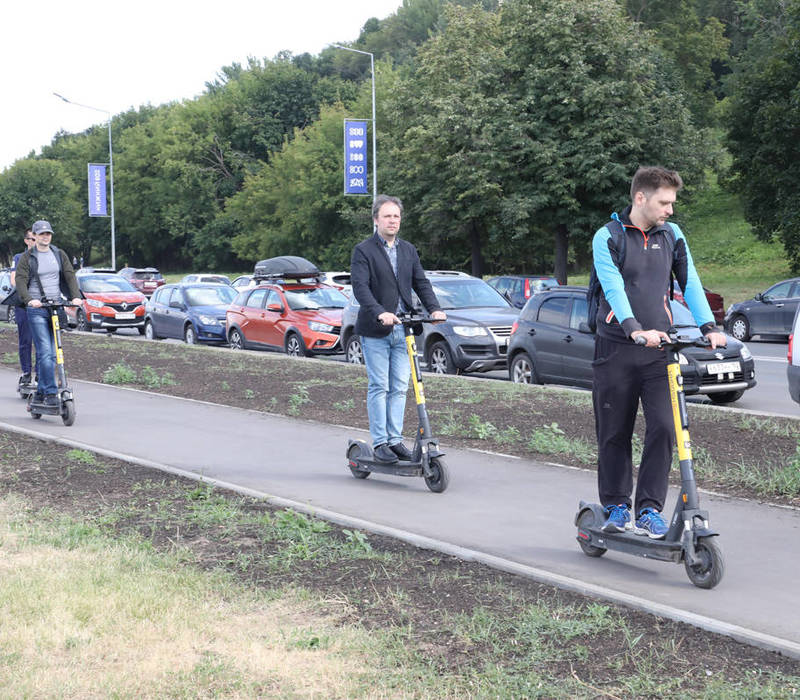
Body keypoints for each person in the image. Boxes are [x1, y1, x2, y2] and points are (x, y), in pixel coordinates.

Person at [591, 166, 726, 538]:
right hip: (616, 348)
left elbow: (690, 281)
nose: (670, 209)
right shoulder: (608, 237)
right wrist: (634, 330)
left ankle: (649, 508)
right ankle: (616, 506)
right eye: (664, 202)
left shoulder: (672, 235)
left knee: (666, 428)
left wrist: (708, 327)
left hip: (659, 351)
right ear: (641, 197)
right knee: (614, 432)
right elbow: (614, 289)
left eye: (672, 203)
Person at [351, 195, 446, 463]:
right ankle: (380, 442)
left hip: (405, 328)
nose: (393, 221)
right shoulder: (364, 250)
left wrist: (434, 309)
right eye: (387, 216)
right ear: (376, 219)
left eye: (396, 216)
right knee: (379, 386)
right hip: (376, 329)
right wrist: (380, 312)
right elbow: (361, 288)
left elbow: (421, 282)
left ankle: (395, 440)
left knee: (400, 387)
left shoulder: (408, 250)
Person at [13, 220, 82, 406]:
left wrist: (75, 297)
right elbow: (20, 281)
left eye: (48, 234)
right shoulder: (28, 258)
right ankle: (51, 393)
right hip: (36, 310)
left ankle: (41, 392)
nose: (45, 237)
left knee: (54, 352)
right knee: (45, 352)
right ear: (34, 236)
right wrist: (29, 300)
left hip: (56, 308)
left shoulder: (59, 254)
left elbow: (69, 275)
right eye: (42, 234)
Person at [9, 228, 36, 386]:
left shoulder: (47, 257)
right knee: (25, 340)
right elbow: (14, 281)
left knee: (43, 342)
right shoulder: (18, 257)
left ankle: (41, 374)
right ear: (26, 241)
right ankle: (26, 373)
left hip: (42, 304)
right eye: (31, 239)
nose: (34, 242)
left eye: (36, 238)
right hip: (24, 304)